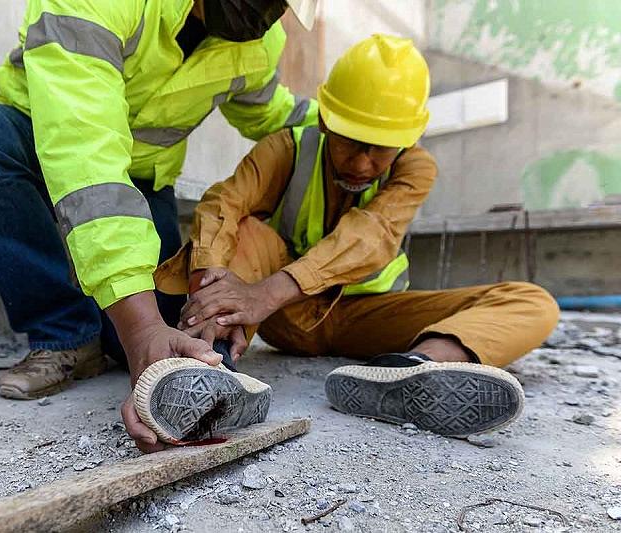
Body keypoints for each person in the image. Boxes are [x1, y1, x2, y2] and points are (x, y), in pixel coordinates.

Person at [0, 0, 319, 452]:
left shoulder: (260, 38)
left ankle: (113, 337)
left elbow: (268, 111)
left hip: (138, 179)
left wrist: (352, 132)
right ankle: (65, 333)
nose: (268, 12)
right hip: (32, 139)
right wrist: (140, 328)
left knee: (162, 334)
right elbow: (84, 148)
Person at [141, 34, 560, 442]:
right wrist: (208, 286)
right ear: (326, 121)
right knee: (241, 231)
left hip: (364, 317)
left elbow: (370, 236)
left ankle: (410, 371)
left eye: (381, 149)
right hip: (285, 319)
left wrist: (264, 293)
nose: (363, 163)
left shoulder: (415, 169)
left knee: (532, 302)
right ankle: (212, 370)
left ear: (408, 139)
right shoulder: (285, 149)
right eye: (352, 143)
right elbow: (222, 204)